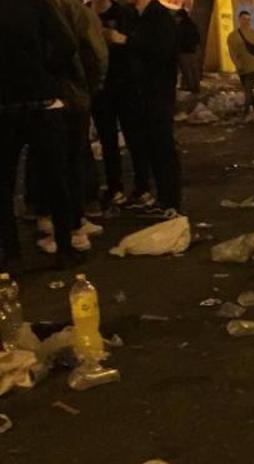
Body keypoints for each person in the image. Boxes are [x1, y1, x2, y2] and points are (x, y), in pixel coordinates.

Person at [1, 0, 81, 268]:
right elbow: (66, 44)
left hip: (4, 106)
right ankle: (65, 248)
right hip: (41, 102)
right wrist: (43, 70)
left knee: (3, 184)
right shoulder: (36, 4)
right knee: (55, 178)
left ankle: (10, 252)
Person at [43, 0, 107, 255]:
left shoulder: (51, 10)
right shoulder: (76, 12)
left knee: (56, 162)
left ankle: (65, 226)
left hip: (56, 95)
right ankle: (73, 224)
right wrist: (91, 86)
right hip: (75, 94)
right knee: (72, 160)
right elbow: (96, 53)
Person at [108, 0, 183, 217]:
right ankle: (162, 198)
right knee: (152, 147)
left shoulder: (158, 16)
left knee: (162, 147)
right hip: (143, 95)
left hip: (156, 94)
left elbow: (163, 51)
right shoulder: (135, 16)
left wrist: (126, 40)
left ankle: (171, 201)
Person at [92, 0, 153, 209]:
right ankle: (114, 187)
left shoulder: (124, 14)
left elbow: (139, 45)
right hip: (100, 89)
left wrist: (121, 40)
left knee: (135, 137)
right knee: (107, 141)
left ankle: (142, 187)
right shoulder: (85, 14)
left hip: (126, 86)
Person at [176, 6, 201, 93]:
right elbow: (197, 37)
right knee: (194, 70)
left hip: (184, 50)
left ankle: (191, 87)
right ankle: (196, 86)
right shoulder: (192, 25)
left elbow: (178, 38)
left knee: (187, 70)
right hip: (192, 50)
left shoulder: (180, 26)